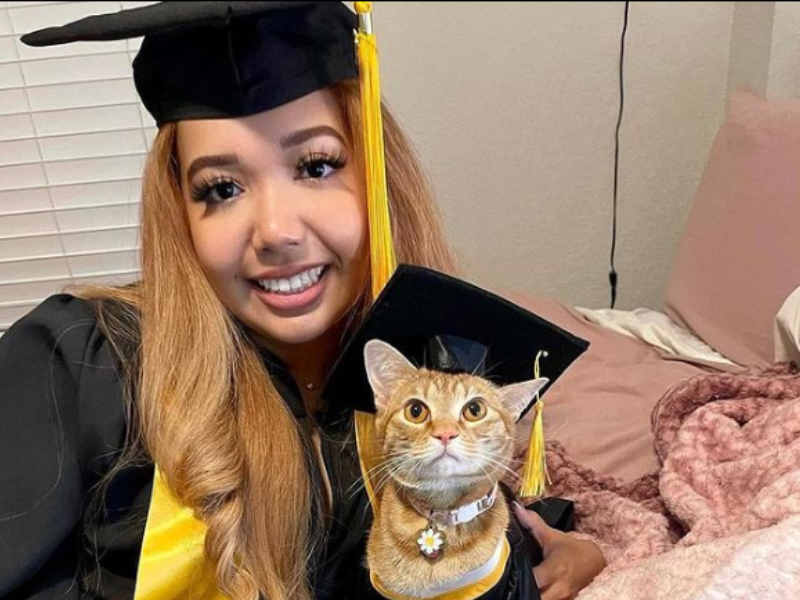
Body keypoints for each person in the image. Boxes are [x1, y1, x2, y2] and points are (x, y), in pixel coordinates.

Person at [0, 3, 605, 600]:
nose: (277, 232)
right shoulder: (81, 364)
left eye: (315, 166)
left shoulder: (436, 354)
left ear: (377, 175)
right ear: (179, 214)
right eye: (222, 188)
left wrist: (569, 550)